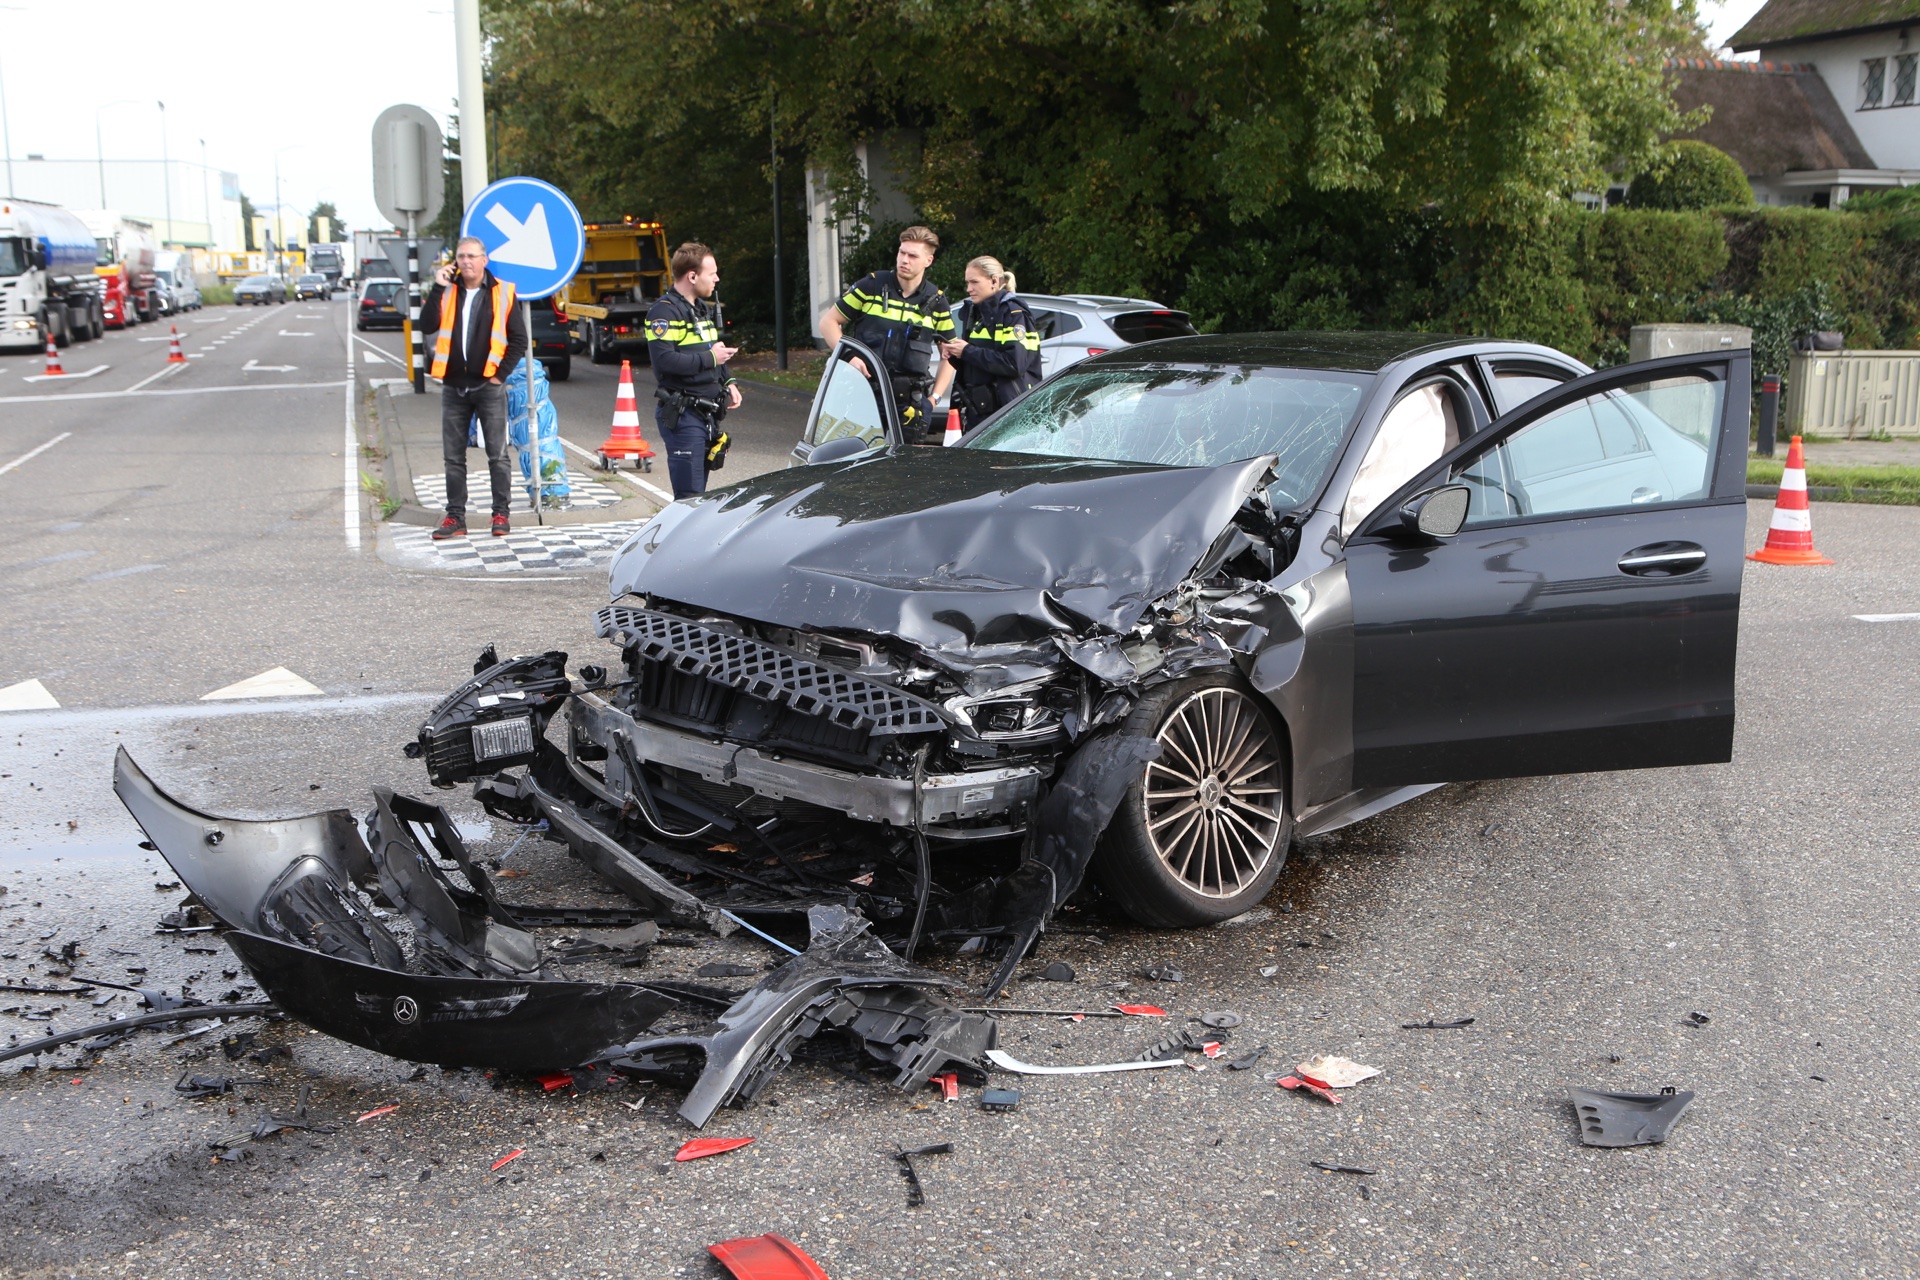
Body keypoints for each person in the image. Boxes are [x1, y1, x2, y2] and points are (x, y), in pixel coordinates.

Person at [418, 236, 528, 539]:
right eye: (461, 256)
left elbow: (519, 339)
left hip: (488, 386)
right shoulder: (447, 290)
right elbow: (427, 325)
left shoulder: (502, 292)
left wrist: (499, 376)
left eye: (471, 256)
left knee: (497, 454)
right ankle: (456, 518)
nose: (466, 261)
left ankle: (500, 514)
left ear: (484, 260)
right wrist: (437, 286)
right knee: (453, 457)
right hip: (454, 386)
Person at [819, 225, 955, 438]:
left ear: (928, 261)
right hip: (863, 393)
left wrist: (934, 399)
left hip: (910, 403)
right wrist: (850, 356)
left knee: (903, 469)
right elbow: (828, 323)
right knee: (854, 464)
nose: (904, 260)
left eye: (912, 256)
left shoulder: (936, 301)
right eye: (902, 252)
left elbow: (950, 354)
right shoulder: (871, 286)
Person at [647, 242, 741, 499]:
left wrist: (729, 380)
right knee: (689, 498)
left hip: (707, 413)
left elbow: (714, 352)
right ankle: (680, 540)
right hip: (684, 414)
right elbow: (664, 362)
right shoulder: (663, 312)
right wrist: (711, 358)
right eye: (712, 273)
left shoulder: (701, 309)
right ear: (692, 276)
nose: (717, 279)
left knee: (698, 495)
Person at [940, 256, 1041, 430]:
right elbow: (979, 362)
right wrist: (956, 354)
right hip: (978, 411)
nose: (969, 289)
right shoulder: (976, 312)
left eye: (974, 282)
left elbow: (1014, 364)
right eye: (967, 283)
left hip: (1007, 414)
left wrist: (967, 351)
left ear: (994, 280)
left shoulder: (1014, 314)